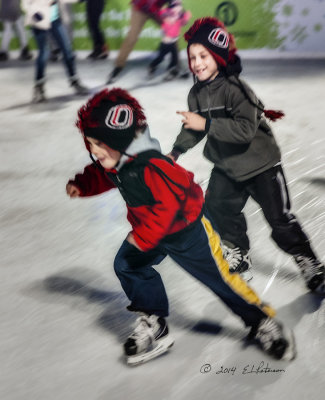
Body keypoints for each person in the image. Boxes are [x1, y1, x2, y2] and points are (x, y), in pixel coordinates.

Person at [66, 87, 296, 365]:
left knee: (221, 281)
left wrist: (144, 238)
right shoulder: (117, 162)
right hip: (150, 235)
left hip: (189, 233)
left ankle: (261, 322)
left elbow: (169, 208)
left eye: (99, 144)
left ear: (121, 140)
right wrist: (82, 184)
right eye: (90, 144)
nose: (94, 151)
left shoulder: (153, 166)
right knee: (127, 265)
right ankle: (155, 323)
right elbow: (104, 175)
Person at [168, 17, 325, 293]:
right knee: (217, 206)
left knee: (279, 220)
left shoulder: (237, 90)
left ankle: (308, 260)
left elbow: (243, 130)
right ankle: (238, 252)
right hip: (227, 166)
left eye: (203, 55)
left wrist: (205, 124)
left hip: (261, 164)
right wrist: (176, 151)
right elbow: (194, 127)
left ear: (218, 56)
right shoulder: (196, 93)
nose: (197, 63)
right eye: (192, 57)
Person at [22, 0, 88, 103]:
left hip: (55, 20)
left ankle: (74, 81)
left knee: (67, 50)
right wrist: (33, 13)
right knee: (44, 53)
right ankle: (39, 86)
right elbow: (25, 3)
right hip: (39, 19)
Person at [106, 0, 170, 84]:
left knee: (171, 31)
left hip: (156, 10)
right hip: (140, 8)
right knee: (132, 37)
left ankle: (176, 65)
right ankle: (118, 66)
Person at [148, 0, 191, 81]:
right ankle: (152, 66)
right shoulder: (165, 13)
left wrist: (185, 19)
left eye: (180, 6)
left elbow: (182, 23)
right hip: (165, 43)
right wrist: (175, 16)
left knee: (175, 59)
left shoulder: (179, 15)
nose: (179, 8)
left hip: (174, 42)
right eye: (177, 6)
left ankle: (171, 72)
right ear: (171, 7)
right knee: (161, 58)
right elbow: (167, 19)